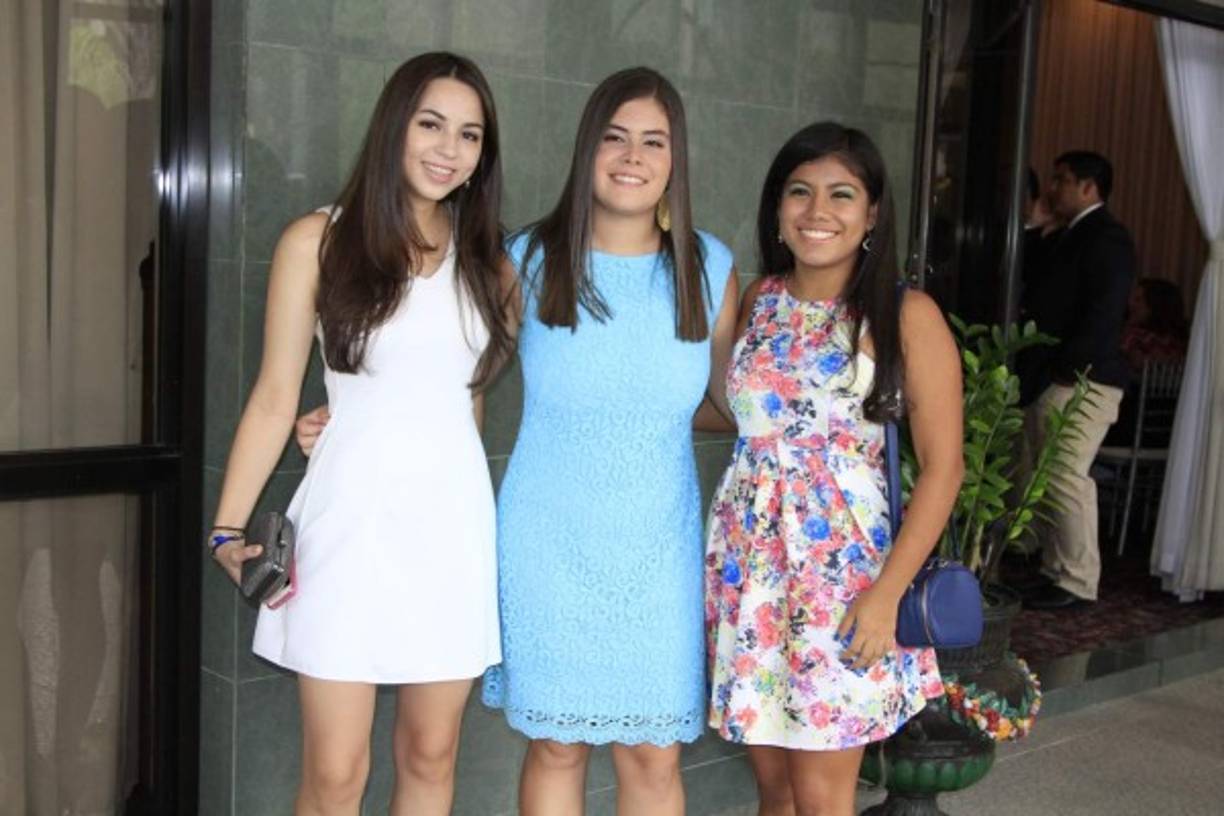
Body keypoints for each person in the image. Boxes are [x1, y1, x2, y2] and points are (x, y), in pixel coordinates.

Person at [298, 66, 738, 815]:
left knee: (653, 752)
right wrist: (349, 417)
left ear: (676, 159)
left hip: (659, 546)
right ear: (586, 149)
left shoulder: (709, 267)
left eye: (654, 142)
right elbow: (448, 368)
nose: (632, 157)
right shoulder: (525, 260)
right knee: (557, 744)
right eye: (614, 137)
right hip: (547, 541)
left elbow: (730, 403)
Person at [207, 52, 514, 815]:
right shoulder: (316, 240)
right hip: (349, 527)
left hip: (451, 532)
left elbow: (465, 402)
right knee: (336, 773)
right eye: (431, 124)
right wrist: (225, 532)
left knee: (431, 754)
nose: (448, 149)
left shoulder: (491, 265)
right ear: (393, 127)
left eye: (470, 135)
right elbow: (275, 397)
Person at [704, 122, 963, 816]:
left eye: (841, 194)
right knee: (776, 791)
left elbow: (944, 469)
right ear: (778, 208)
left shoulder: (905, 314)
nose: (818, 210)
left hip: (844, 583)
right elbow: (746, 416)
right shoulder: (759, 300)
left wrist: (886, 595)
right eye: (800, 191)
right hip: (753, 575)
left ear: (872, 213)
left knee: (822, 797)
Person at [1017, 150, 1136, 610]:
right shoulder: (1069, 234)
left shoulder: (1107, 237)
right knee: (1048, 475)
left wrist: (1068, 370)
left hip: (1083, 379)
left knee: (1065, 474)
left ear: (1089, 187)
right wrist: (1035, 228)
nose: (1052, 189)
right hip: (1060, 376)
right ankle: (1056, 569)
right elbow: (1032, 282)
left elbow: (1105, 311)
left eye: (1061, 180)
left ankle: (1078, 579)